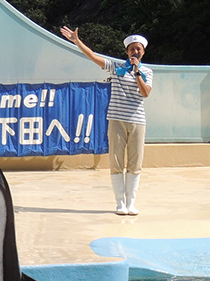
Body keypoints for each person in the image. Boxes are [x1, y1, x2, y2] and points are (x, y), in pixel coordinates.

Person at [60, 26, 153, 215]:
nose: (135, 52)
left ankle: (131, 202)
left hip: (137, 120)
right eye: (132, 49)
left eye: (138, 49)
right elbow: (93, 56)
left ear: (143, 52)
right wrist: (77, 41)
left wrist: (136, 72)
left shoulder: (147, 72)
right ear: (127, 51)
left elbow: (145, 93)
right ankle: (120, 203)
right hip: (117, 119)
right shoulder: (116, 67)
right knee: (116, 160)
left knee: (135, 162)